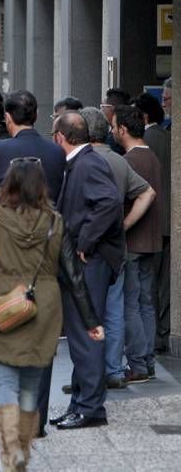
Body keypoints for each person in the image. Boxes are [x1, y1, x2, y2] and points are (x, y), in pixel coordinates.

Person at [0, 158, 102, 471]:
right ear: (42, 186)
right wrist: (91, 321)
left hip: (3, 302)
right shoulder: (55, 222)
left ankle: (10, 449)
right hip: (43, 308)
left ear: (9, 183)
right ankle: (23, 448)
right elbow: (74, 275)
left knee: (4, 383)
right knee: (30, 385)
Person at [0, 90, 65, 443]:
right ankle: (35, 421)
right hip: (46, 258)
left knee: (5, 348)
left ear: (7, 118)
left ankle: (0, 426)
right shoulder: (56, 152)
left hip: (8, 263)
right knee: (40, 348)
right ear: (36, 116)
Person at [49, 112, 124, 430]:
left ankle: (91, 407)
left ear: (59, 138)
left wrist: (85, 242)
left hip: (90, 261)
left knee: (86, 332)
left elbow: (109, 202)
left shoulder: (88, 163)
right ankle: (80, 403)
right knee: (82, 333)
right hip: (86, 260)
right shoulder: (82, 162)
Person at [78, 107, 154, 390]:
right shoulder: (120, 162)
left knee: (86, 311)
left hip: (88, 248)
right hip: (116, 248)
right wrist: (124, 225)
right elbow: (147, 192)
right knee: (115, 310)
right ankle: (113, 369)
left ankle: (88, 373)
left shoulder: (80, 161)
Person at [113, 105, 163, 382]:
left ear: (122, 129)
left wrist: (123, 225)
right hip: (153, 241)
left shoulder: (128, 161)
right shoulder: (153, 157)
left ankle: (139, 365)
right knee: (147, 303)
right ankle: (149, 361)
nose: (112, 131)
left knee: (130, 305)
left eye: (114, 126)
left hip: (132, 242)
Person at [133, 92, 172, 353]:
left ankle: (154, 339)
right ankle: (165, 331)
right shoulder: (168, 137)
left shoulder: (145, 143)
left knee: (148, 288)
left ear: (143, 116)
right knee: (165, 284)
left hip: (151, 222)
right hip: (170, 220)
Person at [100, 88, 130, 155]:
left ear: (112, 108)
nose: (101, 110)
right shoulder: (126, 129)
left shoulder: (116, 136)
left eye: (102, 106)